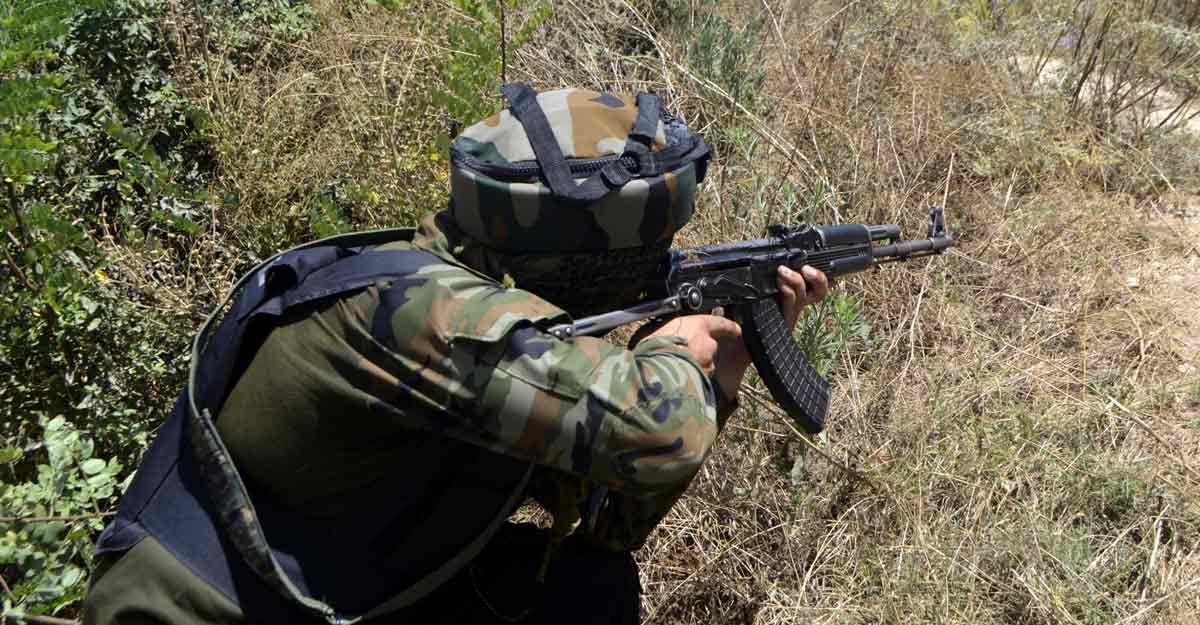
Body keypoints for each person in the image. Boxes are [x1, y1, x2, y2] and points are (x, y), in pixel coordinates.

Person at [83, 84, 829, 625]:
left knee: (586, 589)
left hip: (341, 581)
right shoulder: (427, 317)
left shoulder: (480, 291)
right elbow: (661, 432)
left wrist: (723, 373)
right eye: (647, 247)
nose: (663, 262)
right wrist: (674, 352)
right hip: (196, 608)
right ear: (568, 254)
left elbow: (608, 526)